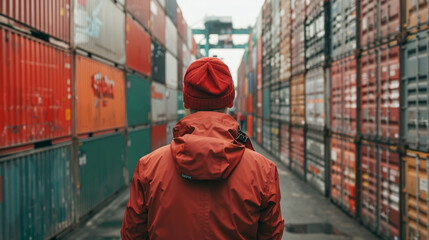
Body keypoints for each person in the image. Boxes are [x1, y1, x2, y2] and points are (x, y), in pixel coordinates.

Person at [121, 57, 284, 239]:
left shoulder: (148, 167)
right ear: (230, 101)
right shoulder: (263, 171)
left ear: (186, 102)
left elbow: (131, 235)